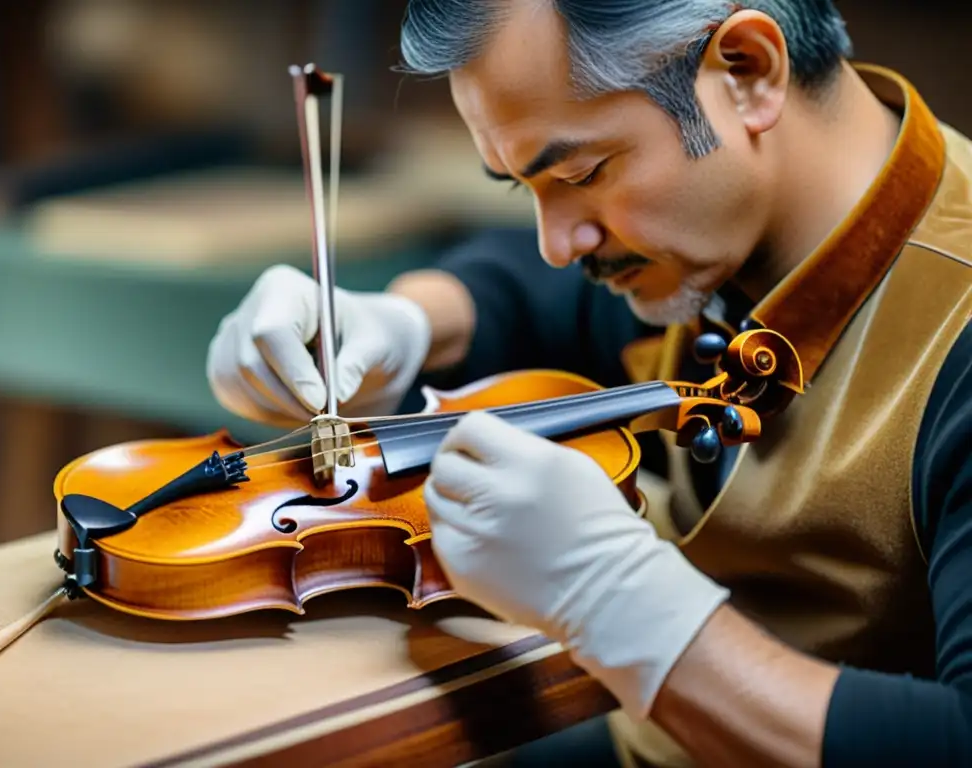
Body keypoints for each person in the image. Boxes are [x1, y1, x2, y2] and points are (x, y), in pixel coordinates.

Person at [205, 1, 972, 765]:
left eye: (582, 172)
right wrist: (401, 324)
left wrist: (625, 607)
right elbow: (548, 296)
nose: (557, 243)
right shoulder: (719, 229)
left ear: (747, 73)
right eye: (520, 185)